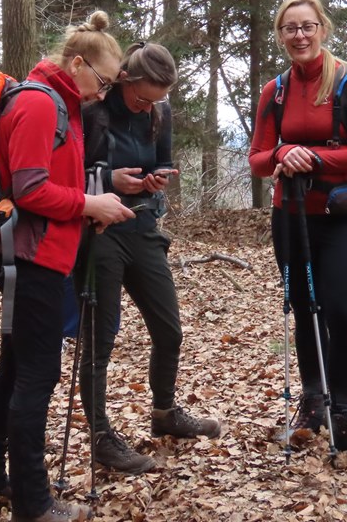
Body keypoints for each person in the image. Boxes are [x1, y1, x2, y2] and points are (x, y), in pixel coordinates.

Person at [0, 11, 135, 522]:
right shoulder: (41, 104)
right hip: (29, 259)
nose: (103, 93)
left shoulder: (62, 104)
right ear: (77, 64)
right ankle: (34, 503)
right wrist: (88, 204)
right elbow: (30, 188)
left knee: (14, 371)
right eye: (103, 81)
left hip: (35, 254)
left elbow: (51, 185)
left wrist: (90, 209)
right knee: (36, 377)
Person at [248, 0, 347, 470]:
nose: (299, 35)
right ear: (280, 35)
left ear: (322, 29)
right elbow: (258, 158)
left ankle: (345, 417)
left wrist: (315, 157)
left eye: (307, 26)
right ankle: (313, 403)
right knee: (304, 310)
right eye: (290, 28)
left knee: (343, 313)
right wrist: (283, 153)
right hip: (290, 216)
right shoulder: (275, 91)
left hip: (342, 218)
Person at [77, 41, 221, 475]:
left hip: (143, 227)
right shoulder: (94, 111)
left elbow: (164, 161)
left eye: (156, 100)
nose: (146, 108)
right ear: (125, 79)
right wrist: (109, 179)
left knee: (169, 330)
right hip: (100, 233)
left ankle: (164, 413)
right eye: (141, 99)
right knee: (100, 341)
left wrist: (157, 179)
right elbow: (70, 173)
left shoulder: (161, 112)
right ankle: (101, 435)